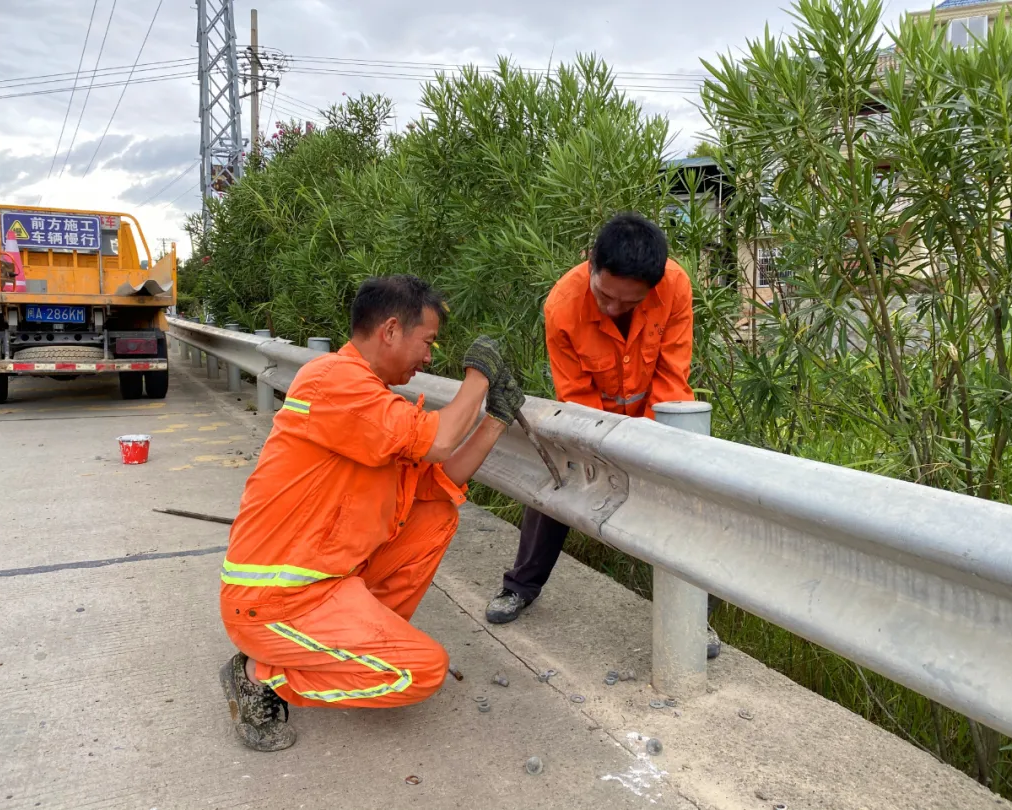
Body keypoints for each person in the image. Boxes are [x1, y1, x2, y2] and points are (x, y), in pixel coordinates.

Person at [218, 274, 523, 752]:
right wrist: (479, 377)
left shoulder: (372, 400)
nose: (429, 357)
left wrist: (496, 419)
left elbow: (440, 478)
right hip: (273, 600)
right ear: (391, 330)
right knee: (420, 672)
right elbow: (441, 439)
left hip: (328, 583)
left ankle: (343, 645)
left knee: (435, 513)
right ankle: (262, 673)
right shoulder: (332, 381)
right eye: (427, 342)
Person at [484, 212, 720, 657]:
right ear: (590, 261)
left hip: (658, 421)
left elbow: (672, 376)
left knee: (677, 509)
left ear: (651, 288)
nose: (613, 308)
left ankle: (691, 617)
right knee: (555, 490)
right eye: (605, 295)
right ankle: (520, 586)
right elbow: (576, 395)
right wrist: (605, 455)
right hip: (590, 421)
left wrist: (649, 452)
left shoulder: (675, 286)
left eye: (628, 304)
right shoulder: (562, 305)